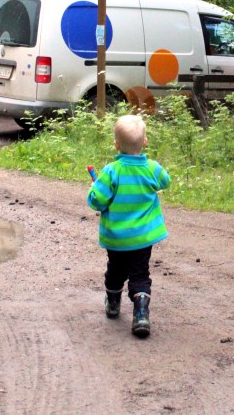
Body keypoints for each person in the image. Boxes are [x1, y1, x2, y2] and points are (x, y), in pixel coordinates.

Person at [87, 114, 171, 338]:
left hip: (117, 238)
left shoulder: (111, 172)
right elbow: (166, 181)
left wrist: (94, 188)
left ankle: (113, 304)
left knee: (115, 270)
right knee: (140, 273)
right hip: (143, 238)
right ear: (144, 142)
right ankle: (141, 314)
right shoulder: (151, 168)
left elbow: (97, 201)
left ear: (116, 145)